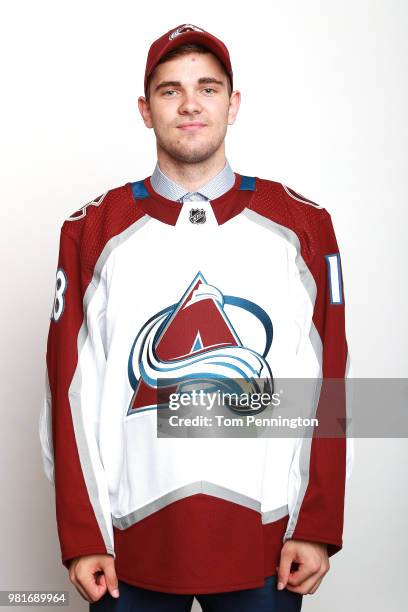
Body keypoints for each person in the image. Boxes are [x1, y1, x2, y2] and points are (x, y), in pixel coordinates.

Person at [39, 23, 353, 611]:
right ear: (144, 108)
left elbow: (329, 381)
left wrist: (315, 524)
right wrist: (83, 538)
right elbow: (69, 390)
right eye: (169, 90)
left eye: (208, 89)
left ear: (233, 105)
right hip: (128, 544)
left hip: (266, 542)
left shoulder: (302, 226)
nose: (190, 104)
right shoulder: (90, 231)